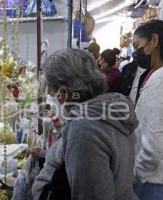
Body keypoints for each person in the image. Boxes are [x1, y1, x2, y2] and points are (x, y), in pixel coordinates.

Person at [32, 49, 138, 200]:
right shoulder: (107, 110)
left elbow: (90, 193)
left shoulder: (84, 129)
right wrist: (44, 155)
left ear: (63, 91)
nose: (50, 95)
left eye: (51, 90)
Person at [133, 19, 163, 200]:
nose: (136, 53)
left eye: (138, 46)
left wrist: (134, 174)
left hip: (155, 182)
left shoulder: (159, 80)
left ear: (154, 40)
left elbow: (155, 147)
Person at [116, 35, 150, 104]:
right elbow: (119, 91)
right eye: (134, 46)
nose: (136, 50)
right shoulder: (127, 68)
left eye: (137, 46)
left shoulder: (154, 71)